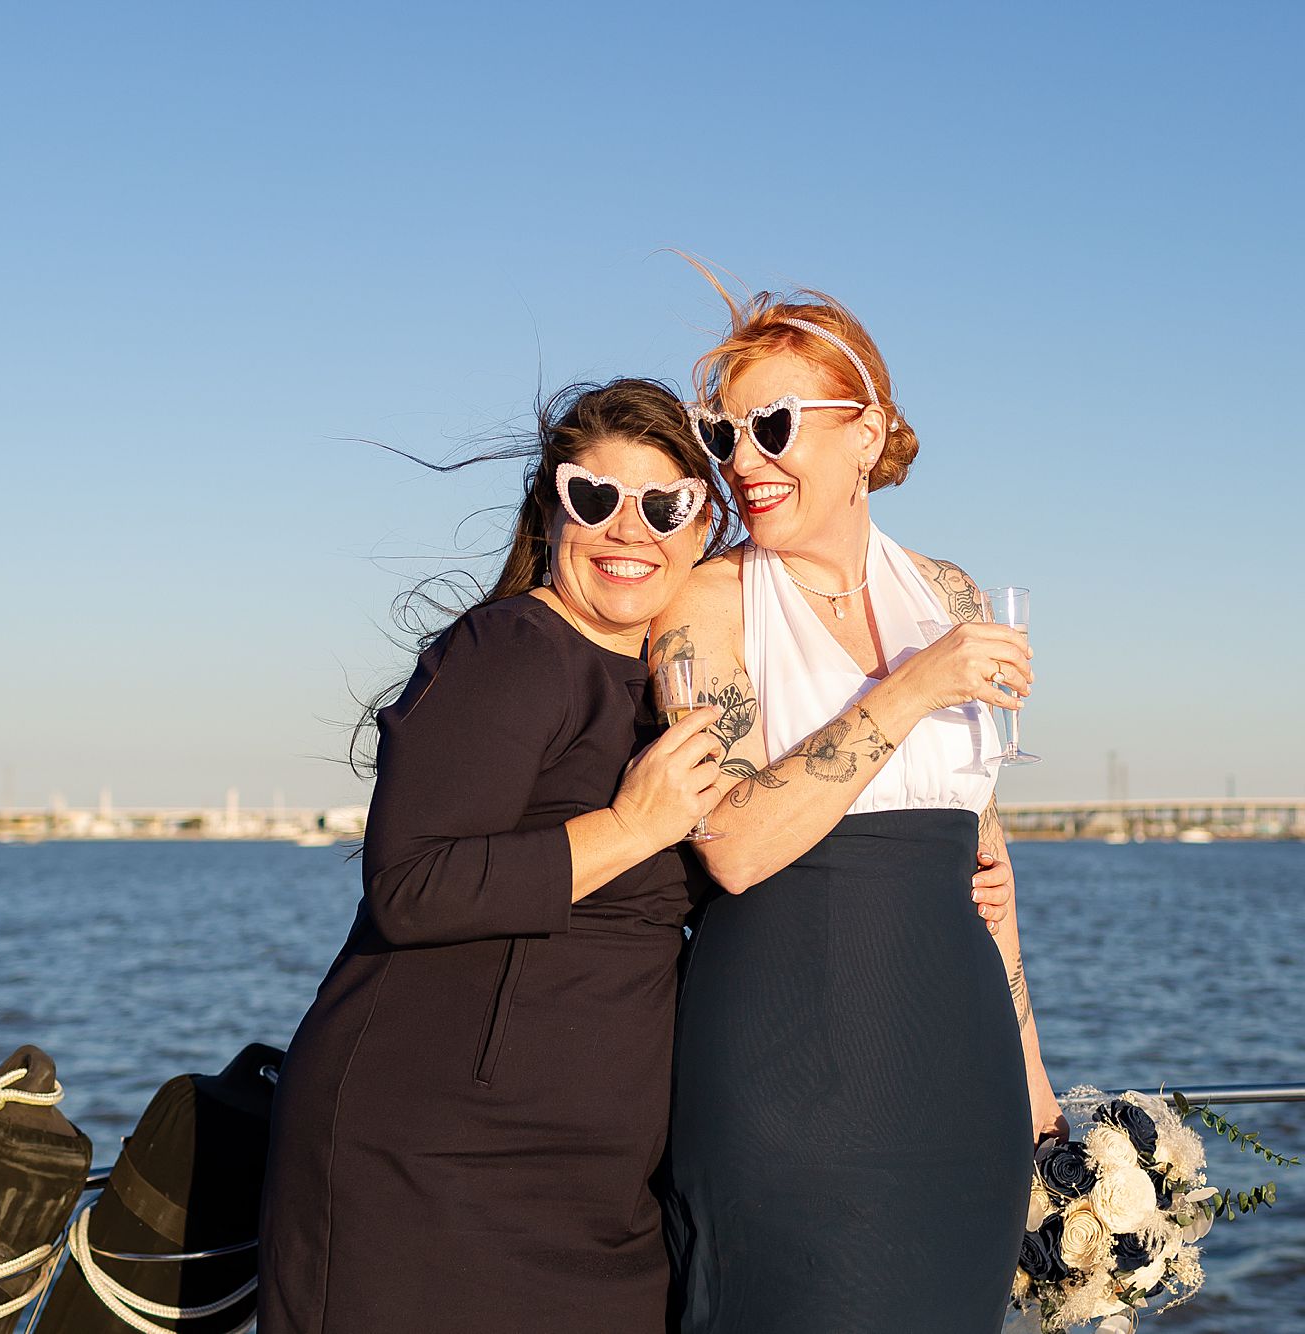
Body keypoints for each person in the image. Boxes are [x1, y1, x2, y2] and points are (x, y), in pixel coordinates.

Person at [258, 379, 735, 1334]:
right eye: (593, 496)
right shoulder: (512, 648)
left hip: (600, 1190)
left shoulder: (681, 685)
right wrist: (633, 827)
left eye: (663, 503)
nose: (626, 529)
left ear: (705, 522)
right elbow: (410, 886)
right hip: (433, 1170)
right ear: (550, 511)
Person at [654, 282, 1062, 1334]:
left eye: (774, 425)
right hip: (791, 1068)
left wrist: (1032, 1077)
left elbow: (984, 858)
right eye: (722, 433)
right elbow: (733, 844)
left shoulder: (953, 597)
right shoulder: (706, 605)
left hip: (957, 1060)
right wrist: (913, 685)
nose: (742, 460)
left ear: (866, 428)